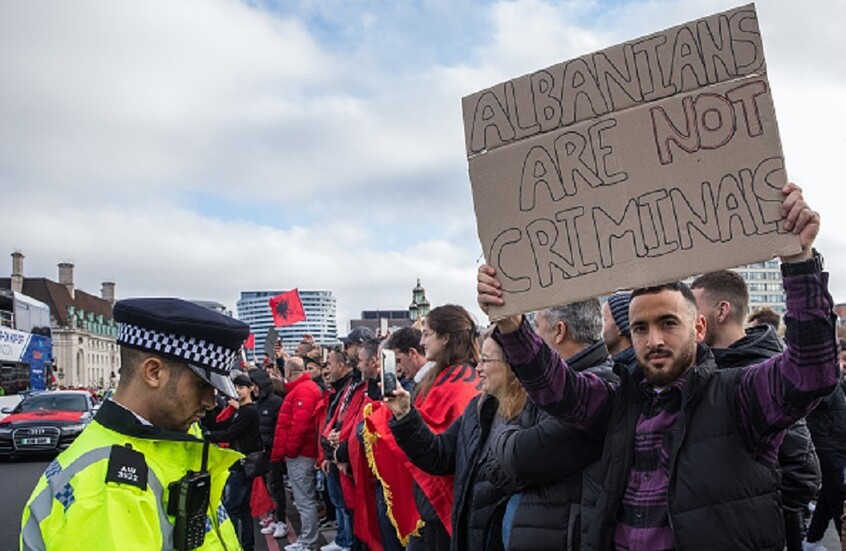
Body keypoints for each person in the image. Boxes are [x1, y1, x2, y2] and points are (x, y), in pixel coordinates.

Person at [477, 183, 839, 549]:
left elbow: (811, 373)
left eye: (668, 323)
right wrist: (512, 325)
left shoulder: (739, 395)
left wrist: (799, 263)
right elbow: (556, 388)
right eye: (640, 328)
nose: (654, 341)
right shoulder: (618, 401)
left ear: (698, 327)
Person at [20, 298, 249, 550]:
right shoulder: (108, 491)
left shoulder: (171, 435)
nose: (210, 401)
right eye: (203, 385)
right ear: (153, 372)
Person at [691, 269, 821, 551]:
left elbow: (803, 475)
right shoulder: (708, 370)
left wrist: (746, 514)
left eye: (694, 309)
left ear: (721, 311)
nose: (689, 321)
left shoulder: (762, 371)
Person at [494, 301, 617, 550]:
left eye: (536, 327)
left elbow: (520, 458)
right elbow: (493, 470)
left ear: (559, 331)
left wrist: (503, 433)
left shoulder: (599, 388)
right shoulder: (540, 390)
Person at [271, 356, 324, 551]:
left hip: (301, 453)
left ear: (289, 372)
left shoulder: (302, 391)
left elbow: (299, 427)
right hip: (302, 452)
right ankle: (307, 539)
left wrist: (290, 452)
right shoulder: (305, 389)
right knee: (304, 498)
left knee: (304, 499)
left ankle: (308, 542)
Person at [206, 373, 263, 551]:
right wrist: (210, 412)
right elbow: (222, 426)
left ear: (251, 389)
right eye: (236, 387)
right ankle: (247, 544)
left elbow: (229, 433)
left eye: (241, 387)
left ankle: (235, 543)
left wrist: (206, 436)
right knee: (243, 508)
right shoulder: (243, 411)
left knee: (232, 507)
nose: (238, 391)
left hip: (241, 463)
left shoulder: (249, 412)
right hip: (241, 462)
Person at [802, 339, 846, 550]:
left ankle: (811, 540)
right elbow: (823, 398)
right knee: (839, 496)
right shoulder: (822, 375)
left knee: (830, 494)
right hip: (827, 444)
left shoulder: (833, 375)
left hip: (835, 442)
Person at [249, 368, 289, 539]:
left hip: (274, 453)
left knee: (275, 486)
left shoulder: (276, 402)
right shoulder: (256, 404)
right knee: (268, 487)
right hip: (262, 454)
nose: (252, 389)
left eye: (253, 385)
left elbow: (281, 428)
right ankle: (274, 517)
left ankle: (282, 521)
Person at [602, 292, 636, 371]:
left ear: (620, 326)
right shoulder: (618, 367)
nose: (598, 326)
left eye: (604, 320)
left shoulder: (637, 372)